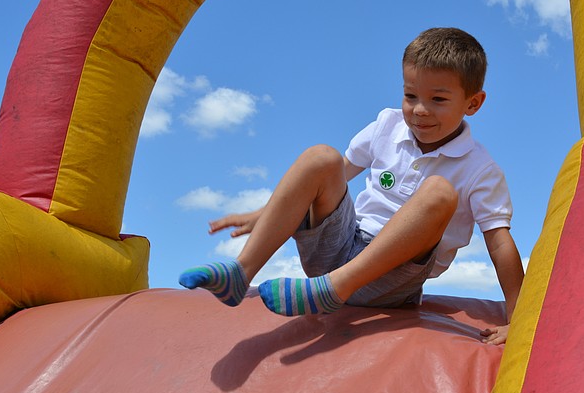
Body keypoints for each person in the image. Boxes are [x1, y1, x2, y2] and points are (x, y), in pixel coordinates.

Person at [179, 27, 524, 345]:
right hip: (338, 247)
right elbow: (336, 174)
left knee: (439, 192)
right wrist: (265, 214)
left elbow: (499, 243)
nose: (419, 110)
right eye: (410, 95)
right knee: (321, 157)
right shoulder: (387, 124)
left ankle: (335, 289)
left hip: (392, 278)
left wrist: (519, 318)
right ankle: (241, 272)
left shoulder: (480, 169)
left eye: (438, 100)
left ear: (473, 103)